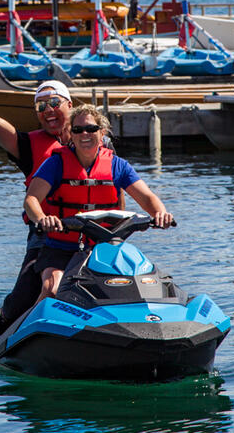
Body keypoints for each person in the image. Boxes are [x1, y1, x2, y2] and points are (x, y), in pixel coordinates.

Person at [0, 47, 75, 331]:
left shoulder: (94, 141)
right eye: (41, 106)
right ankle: (4, 325)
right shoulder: (28, 145)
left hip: (90, 233)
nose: (48, 111)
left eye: (54, 102)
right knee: (26, 294)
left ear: (70, 105)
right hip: (45, 236)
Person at [24, 103, 173, 302]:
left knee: (134, 288)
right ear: (71, 134)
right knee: (53, 288)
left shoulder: (118, 166)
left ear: (102, 132)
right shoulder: (55, 164)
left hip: (105, 248)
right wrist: (43, 218)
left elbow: (147, 198)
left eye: (91, 129)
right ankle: (35, 328)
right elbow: (31, 199)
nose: (84, 134)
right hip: (61, 247)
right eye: (78, 130)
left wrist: (160, 213)